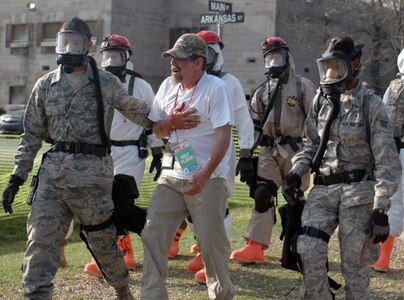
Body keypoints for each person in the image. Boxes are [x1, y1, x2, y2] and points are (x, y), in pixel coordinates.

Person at [1, 16, 154, 299]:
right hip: (53, 178)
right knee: (40, 243)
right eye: (64, 41)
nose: (69, 47)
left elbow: (135, 109)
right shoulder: (45, 85)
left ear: (88, 45)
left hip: (93, 180)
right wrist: (17, 177)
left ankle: (121, 287)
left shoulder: (105, 83)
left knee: (103, 243)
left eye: (76, 42)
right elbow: (31, 135)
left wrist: (166, 123)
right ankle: (35, 294)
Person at [282, 36, 401, 299]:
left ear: (354, 64)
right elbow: (312, 145)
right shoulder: (320, 101)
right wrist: (295, 172)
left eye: (338, 65)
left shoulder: (372, 105)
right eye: (328, 65)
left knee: (354, 267)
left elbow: (387, 162)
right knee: (308, 250)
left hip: (358, 193)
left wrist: (380, 209)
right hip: (323, 189)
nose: (332, 72)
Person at [141, 33, 236, 300]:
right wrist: (171, 123)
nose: (173, 64)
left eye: (180, 59)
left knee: (210, 247)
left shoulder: (216, 89)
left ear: (198, 62)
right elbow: (157, 131)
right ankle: (153, 295)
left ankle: (221, 294)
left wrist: (205, 176)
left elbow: (224, 138)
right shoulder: (167, 86)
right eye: (171, 58)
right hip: (171, 175)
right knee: (153, 235)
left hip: (206, 179)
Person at [167, 30, 255, 284]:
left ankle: (217, 259)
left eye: (210, 53)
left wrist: (247, 151)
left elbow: (242, 118)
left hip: (218, 152)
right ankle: (206, 250)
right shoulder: (177, 81)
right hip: (184, 152)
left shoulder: (228, 82)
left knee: (217, 205)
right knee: (191, 202)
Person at [83, 34, 163, 277]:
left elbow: (154, 118)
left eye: (116, 55)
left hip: (131, 150)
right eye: (106, 55)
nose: (110, 60)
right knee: (102, 203)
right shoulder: (97, 82)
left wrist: (157, 149)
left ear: (126, 57)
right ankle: (115, 252)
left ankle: (125, 252)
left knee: (121, 201)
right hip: (103, 151)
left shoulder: (141, 86)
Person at [230, 37, 316, 263]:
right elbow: (255, 126)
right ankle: (255, 246)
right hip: (269, 151)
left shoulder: (302, 86)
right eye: (269, 58)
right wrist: (247, 155)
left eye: (277, 57)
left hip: (295, 149)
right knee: (262, 194)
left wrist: (317, 152)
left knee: (294, 196)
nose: (273, 62)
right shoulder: (262, 92)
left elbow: (314, 122)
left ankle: (297, 246)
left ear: (287, 57)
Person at [372, 48, 404, 273]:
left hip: (394, 149)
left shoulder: (393, 87)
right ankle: (382, 258)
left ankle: (382, 258)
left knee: (394, 200)